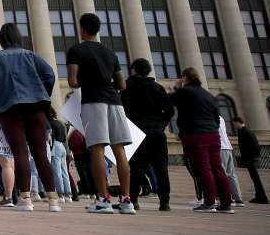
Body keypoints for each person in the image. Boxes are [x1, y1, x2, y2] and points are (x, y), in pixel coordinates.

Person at [0, 22, 60, 212]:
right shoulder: (31, 55)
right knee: (41, 154)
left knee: (20, 153)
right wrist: (42, 93)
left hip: (11, 110)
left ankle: (25, 198)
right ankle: (53, 199)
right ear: (19, 37)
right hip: (36, 108)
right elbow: (49, 75)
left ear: (1, 40)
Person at [67, 12, 133, 214]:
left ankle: (103, 198)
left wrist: (88, 80)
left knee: (97, 148)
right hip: (115, 101)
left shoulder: (76, 50)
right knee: (120, 150)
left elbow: (73, 81)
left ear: (82, 29)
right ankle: (127, 200)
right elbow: (122, 83)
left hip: (93, 100)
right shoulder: (110, 53)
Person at [171, 67, 232, 212]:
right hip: (213, 134)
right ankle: (226, 203)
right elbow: (216, 117)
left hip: (196, 135)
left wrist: (176, 87)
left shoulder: (186, 92)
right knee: (218, 168)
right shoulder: (208, 95)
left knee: (203, 168)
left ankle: (209, 201)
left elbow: (170, 100)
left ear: (184, 78)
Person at [120, 57, 173, 211]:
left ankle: (134, 200)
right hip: (157, 131)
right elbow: (169, 110)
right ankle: (164, 202)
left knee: (137, 167)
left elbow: (123, 109)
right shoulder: (158, 87)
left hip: (138, 131)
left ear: (133, 69)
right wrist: (161, 124)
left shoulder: (128, 86)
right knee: (161, 167)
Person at [233, 116, 267, 204]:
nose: (234, 126)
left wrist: (252, 157)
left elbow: (256, 146)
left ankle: (262, 198)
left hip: (251, 159)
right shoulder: (243, 132)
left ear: (238, 122)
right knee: (255, 179)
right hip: (251, 158)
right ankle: (259, 197)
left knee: (256, 179)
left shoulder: (246, 132)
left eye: (235, 124)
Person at [218, 118, 243, 206]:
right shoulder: (221, 118)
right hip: (228, 147)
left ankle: (227, 198)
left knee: (222, 174)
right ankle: (238, 199)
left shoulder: (210, 116)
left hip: (220, 147)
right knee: (232, 175)